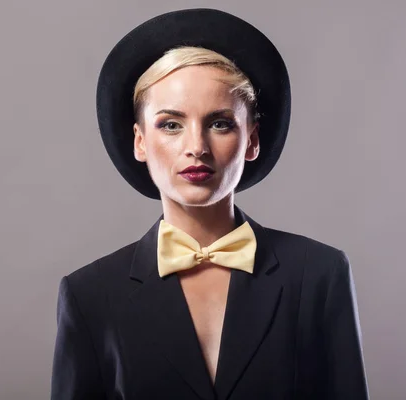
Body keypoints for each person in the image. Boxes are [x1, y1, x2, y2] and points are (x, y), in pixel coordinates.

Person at [51, 8, 369, 400]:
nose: (196, 148)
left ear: (251, 139)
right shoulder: (89, 296)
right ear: (139, 140)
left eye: (220, 123)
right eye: (171, 124)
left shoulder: (320, 275)